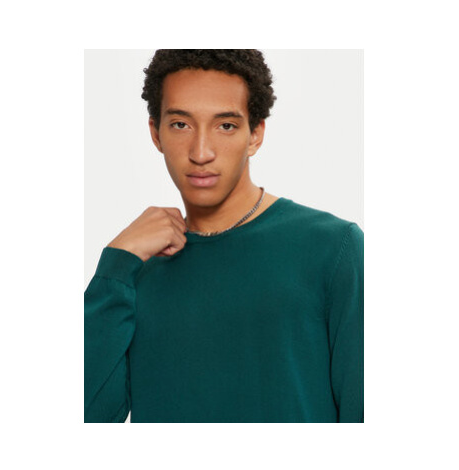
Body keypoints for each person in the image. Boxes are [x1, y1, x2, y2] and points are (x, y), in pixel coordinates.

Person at [84, 49, 364, 423]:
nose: (201, 152)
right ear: (156, 133)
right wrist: (117, 261)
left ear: (256, 134)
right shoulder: (134, 272)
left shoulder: (333, 249)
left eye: (226, 126)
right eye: (180, 124)